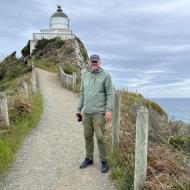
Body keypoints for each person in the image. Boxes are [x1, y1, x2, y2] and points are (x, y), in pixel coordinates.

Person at [76, 54, 114, 173]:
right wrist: (78, 109)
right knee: (87, 136)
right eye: (92, 61)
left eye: (96, 62)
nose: (94, 63)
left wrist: (109, 110)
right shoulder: (85, 76)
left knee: (100, 137)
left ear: (100, 62)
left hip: (99, 113)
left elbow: (110, 94)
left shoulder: (106, 75)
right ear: (89, 62)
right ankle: (89, 158)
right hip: (86, 113)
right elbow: (82, 93)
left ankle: (104, 161)